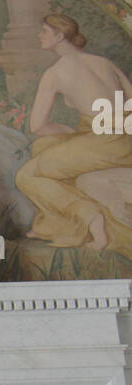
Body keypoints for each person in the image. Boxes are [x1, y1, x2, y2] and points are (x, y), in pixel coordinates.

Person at [15, 14, 132, 256]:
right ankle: (54, 224)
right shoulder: (105, 63)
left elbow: (37, 126)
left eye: (45, 31)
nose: (40, 35)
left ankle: (91, 217)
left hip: (100, 143)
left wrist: (71, 133)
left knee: (26, 175)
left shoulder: (55, 73)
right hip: (124, 141)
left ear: (59, 36)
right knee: (42, 148)